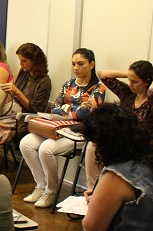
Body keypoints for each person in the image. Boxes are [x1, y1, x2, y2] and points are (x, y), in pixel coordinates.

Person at [20, 48, 105, 208]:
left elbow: (84, 113)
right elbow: (55, 108)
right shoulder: (68, 84)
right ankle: (41, 185)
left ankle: (51, 191)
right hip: (57, 126)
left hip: (80, 131)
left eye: (81, 64)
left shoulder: (98, 88)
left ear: (92, 64)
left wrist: (66, 109)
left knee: (46, 149)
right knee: (26, 143)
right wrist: (71, 111)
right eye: (73, 64)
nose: (76, 68)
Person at [85, 61, 153, 189]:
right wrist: (129, 75)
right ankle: (93, 188)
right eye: (129, 80)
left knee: (101, 148)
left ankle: (104, 188)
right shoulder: (128, 94)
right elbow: (102, 75)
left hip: (142, 146)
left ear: (146, 82)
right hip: (122, 142)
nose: (130, 84)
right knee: (93, 145)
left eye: (135, 82)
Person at [0, 42, 52, 143]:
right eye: (20, 60)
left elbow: (36, 110)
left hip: (24, 118)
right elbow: (10, 87)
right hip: (12, 112)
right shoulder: (23, 72)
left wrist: (17, 91)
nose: (20, 64)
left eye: (24, 61)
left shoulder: (44, 82)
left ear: (35, 61)